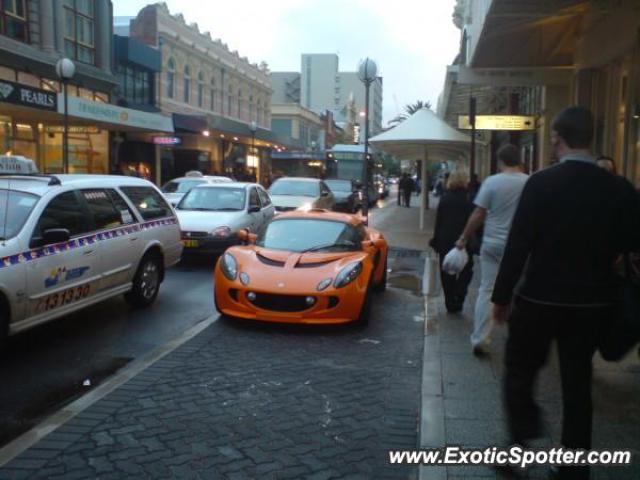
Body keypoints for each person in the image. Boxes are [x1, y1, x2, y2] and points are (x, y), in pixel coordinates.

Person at [491, 106, 640, 480]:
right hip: (593, 304)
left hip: (540, 297)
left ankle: (519, 445)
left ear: (557, 138)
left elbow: (519, 244)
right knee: (577, 382)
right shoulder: (619, 189)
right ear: (592, 137)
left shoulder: (540, 184)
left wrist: (501, 295)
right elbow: (632, 242)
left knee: (520, 370)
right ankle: (575, 466)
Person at [455, 143, 528, 355]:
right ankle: (519, 340)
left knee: (487, 290)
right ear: (520, 160)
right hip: (519, 247)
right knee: (519, 292)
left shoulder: (492, 182)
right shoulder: (530, 182)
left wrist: (463, 238)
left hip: (492, 244)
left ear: (500, 161)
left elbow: (478, 214)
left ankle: (480, 338)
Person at [429, 168, 475, 313]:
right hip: (464, 240)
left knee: (447, 271)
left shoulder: (445, 198)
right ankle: (460, 295)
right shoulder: (469, 199)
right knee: (467, 269)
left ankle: (450, 302)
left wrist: (435, 241)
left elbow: (439, 221)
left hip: (445, 240)